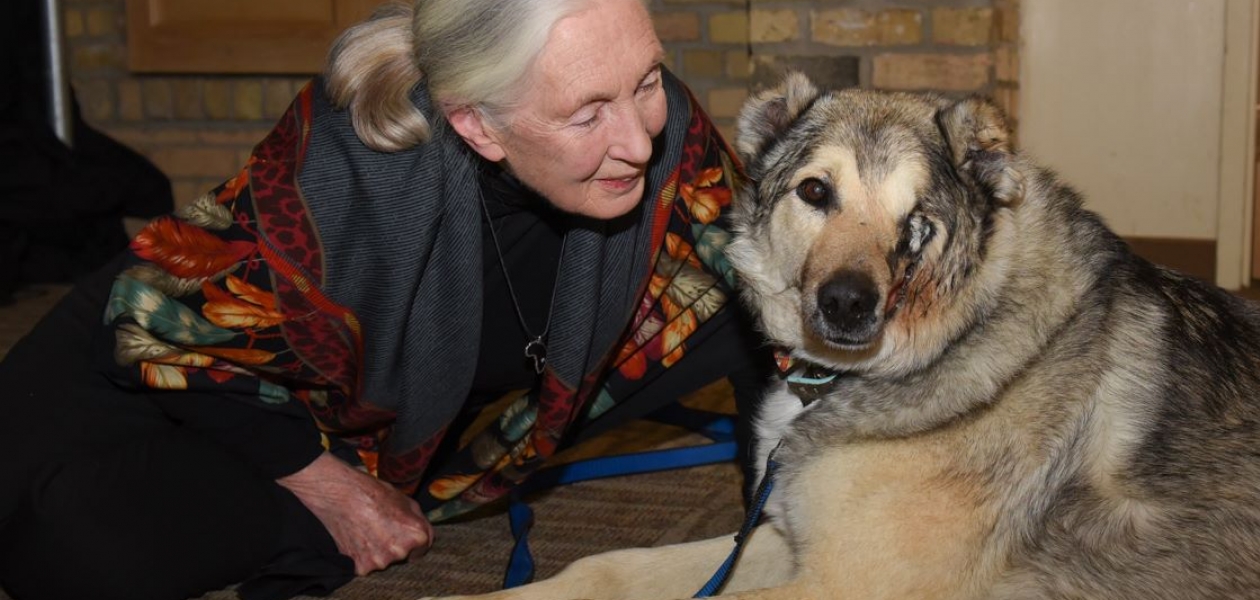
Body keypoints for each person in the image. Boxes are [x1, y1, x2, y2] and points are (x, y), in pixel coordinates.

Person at [0, 0, 772, 598]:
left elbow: (762, 292)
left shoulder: (656, 133)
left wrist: (778, 502)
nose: (639, 138)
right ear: (476, 124)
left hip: (347, 411)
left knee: (739, 307)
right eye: (587, 112)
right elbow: (151, 318)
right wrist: (327, 485)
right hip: (165, 363)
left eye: (645, 81)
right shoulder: (357, 164)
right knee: (54, 534)